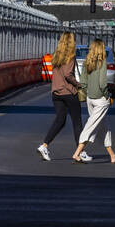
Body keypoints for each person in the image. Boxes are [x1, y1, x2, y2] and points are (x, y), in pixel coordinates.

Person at [36, 31, 84, 161]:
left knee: (60, 120)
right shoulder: (70, 56)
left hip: (56, 92)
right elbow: (68, 74)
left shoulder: (56, 55)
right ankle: (80, 151)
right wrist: (78, 85)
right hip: (68, 92)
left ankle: (45, 145)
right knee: (77, 122)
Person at [71, 39, 115, 164]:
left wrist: (88, 92)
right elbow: (103, 83)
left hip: (90, 99)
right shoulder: (102, 63)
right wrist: (107, 95)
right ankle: (77, 153)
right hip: (100, 100)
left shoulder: (87, 62)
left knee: (103, 126)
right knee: (90, 126)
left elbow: (83, 81)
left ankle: (112, 155)